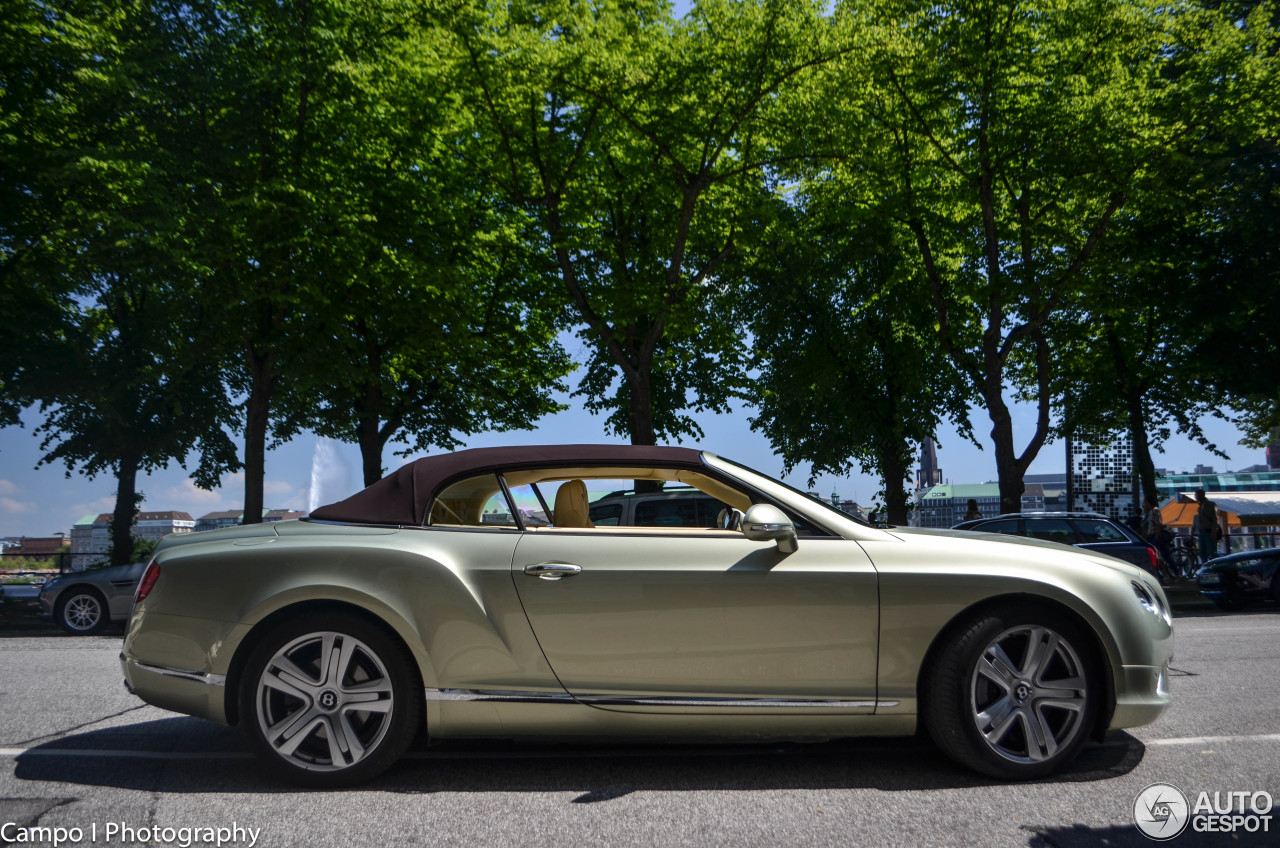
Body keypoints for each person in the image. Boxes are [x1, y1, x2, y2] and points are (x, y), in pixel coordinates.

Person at [1142, 495, 1175, 580]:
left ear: (1149, 503)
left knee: (1164, 555)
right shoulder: (1151, 512)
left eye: (1145, 503)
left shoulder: (1155, 511)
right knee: (1161, 556)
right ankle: (1164, 575)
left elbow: (1158, 523)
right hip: (1151, 537)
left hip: (1155, 537)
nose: (1144, 505)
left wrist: (1157, 536)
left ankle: (1175, 573)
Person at [1193, 488, 1219, 564]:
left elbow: (1214, 519)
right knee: (1202, 552)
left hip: (1209, 532)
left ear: (1202, 495)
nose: (1196, 497)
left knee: (1212, 552)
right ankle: (1206, 567)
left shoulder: (1211, 504)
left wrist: (1214, 532)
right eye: (1196, 495)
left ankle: (1216, 567)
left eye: (1197, 495)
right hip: (1201, 533)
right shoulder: (1200, 507)